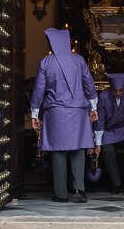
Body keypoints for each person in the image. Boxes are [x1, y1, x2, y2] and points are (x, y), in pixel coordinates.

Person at [30, 28, 98, 203]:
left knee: (58, 151)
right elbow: (89, 85)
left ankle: (60, 194)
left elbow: (39, 89)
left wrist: (34, 113)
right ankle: (79, 189)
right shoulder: (79, 60)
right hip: (78, 111)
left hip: (56, 112)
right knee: (78, 149)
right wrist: (94, 107)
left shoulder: (46, 62)